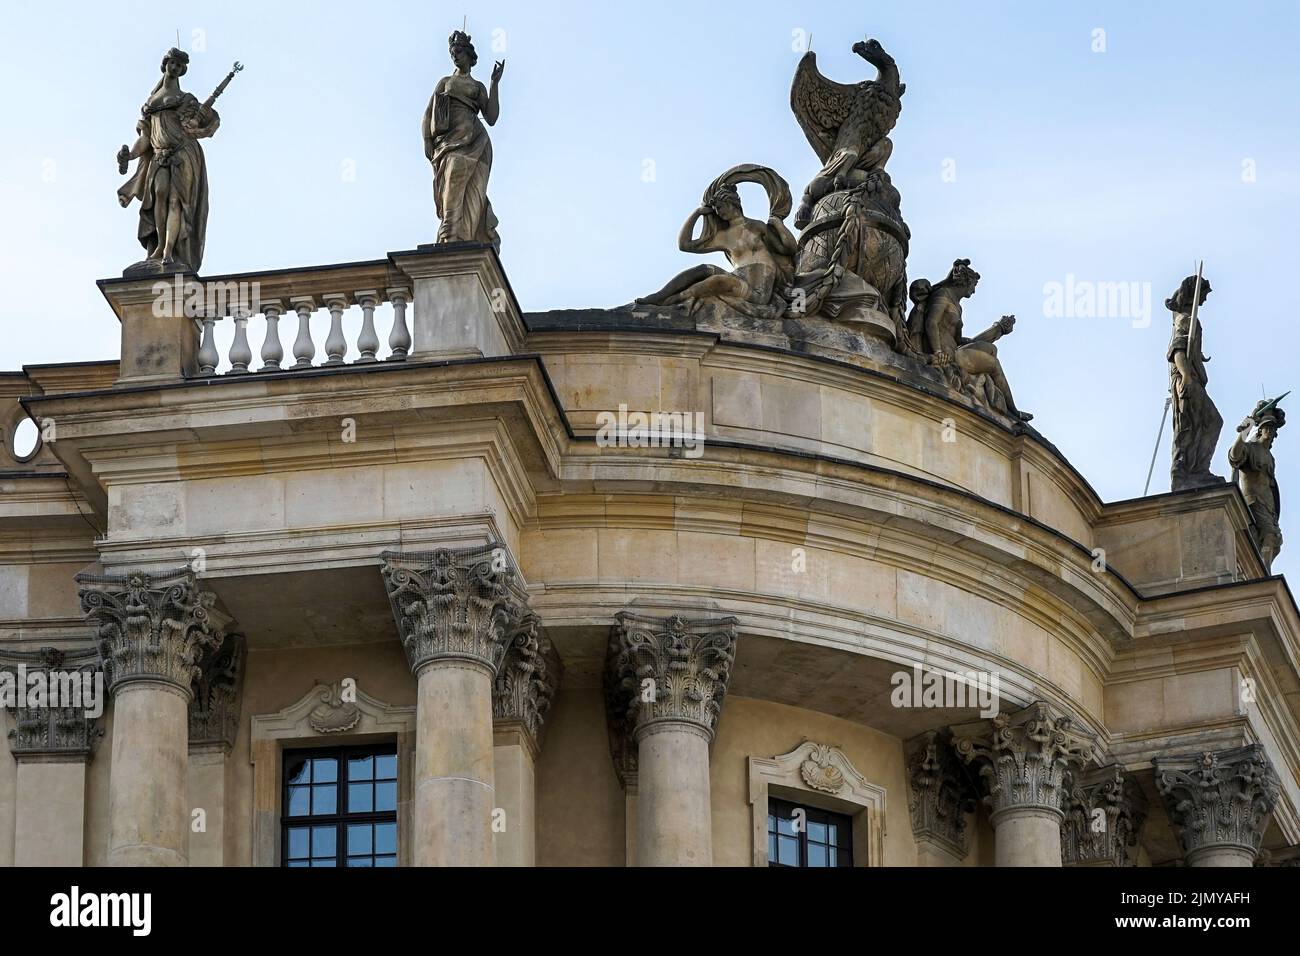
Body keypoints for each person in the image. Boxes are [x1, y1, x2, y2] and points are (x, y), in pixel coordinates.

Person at [422, 31, 504, 248]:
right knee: (451, 188)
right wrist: (427, 140)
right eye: (452, 53)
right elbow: (429, 113)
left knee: (475, 193)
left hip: (478, 142)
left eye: (458, 52)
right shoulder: (445, 82)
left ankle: (465, 242)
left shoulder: (478, 87)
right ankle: (448, 238)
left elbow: (492, 117)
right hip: (451, 144)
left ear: (468, 54)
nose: (455, 56)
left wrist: (494, 83)